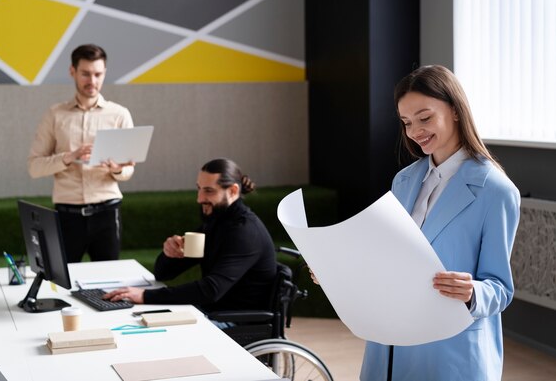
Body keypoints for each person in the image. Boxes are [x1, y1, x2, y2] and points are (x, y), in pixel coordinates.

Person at [312, 65, 520, 381]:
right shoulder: (405, 180)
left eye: (424, 118)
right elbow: (391, 259)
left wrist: (471, 290)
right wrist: (338, 271)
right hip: (391, 342)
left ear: (454, 110)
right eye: (407, 122)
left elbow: (500, 289)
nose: (414, 131)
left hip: (450, 349)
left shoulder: (495, 189)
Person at [104, 158, 277, 313]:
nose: (199, 198)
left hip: (234, 321)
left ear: (232, 191)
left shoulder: (245, 231)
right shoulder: (216, 221)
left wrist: (145, 296)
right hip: (210, 312)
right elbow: (163, 274)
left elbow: (211, 290)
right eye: (199, 189)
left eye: (209, 191)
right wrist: (169, 254)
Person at [28, 44, 135, 263]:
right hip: (67, 215)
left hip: (107, 211)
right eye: (86, 74)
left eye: (98, 74)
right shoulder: (55, 115)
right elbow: (34, 167)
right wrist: (68, 156)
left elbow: (128, 170)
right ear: (72, 72)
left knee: (109, 284)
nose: (92, 81)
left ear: (104, 73)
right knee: (62, 282)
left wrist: (117, 169)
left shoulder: (119, 115)